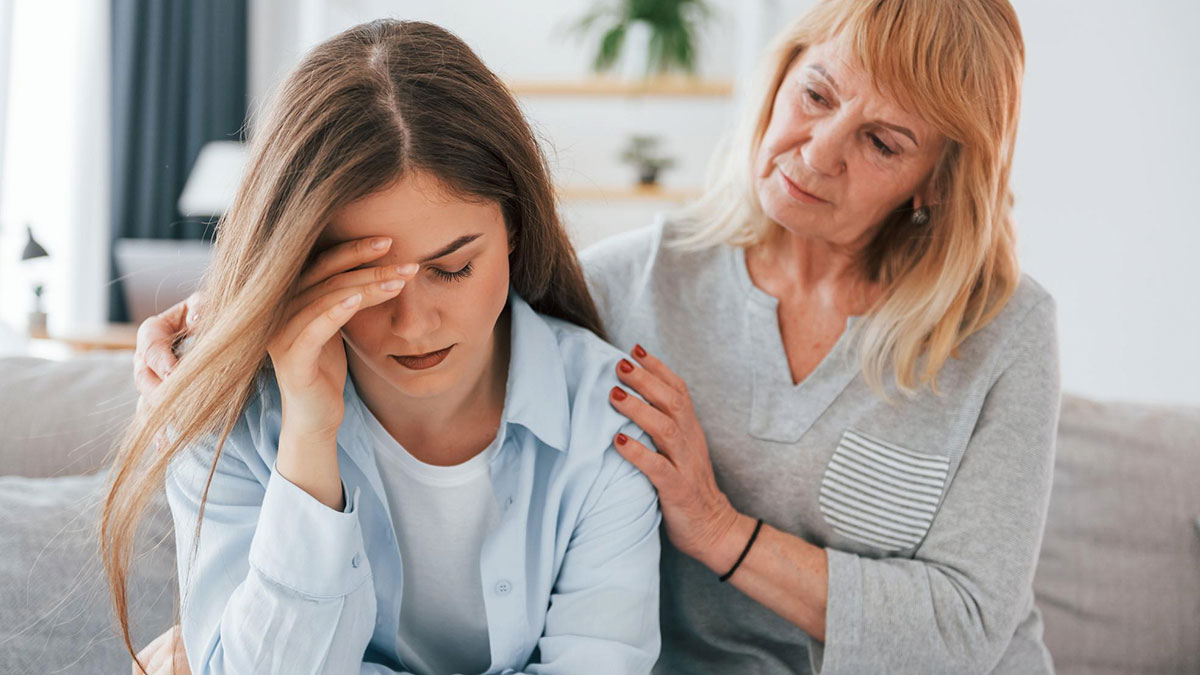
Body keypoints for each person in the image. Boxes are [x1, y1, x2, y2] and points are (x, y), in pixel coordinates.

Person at [135, 0, 1062, 672]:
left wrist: (721, 530)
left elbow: (971, 625)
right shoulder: (627, 286)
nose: (819, 150)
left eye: (884, 141)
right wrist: (225, 321)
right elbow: (410, 256)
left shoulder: (1006, 334)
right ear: (781, 75)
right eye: (817, 95)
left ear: (939, 178)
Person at [106, 19, 661, 675]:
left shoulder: (607, 416)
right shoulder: (224, 411)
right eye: (363, 283)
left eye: (452, 268)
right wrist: (308, 436)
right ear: (297, 263)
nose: (414, 323)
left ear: (512, 227)